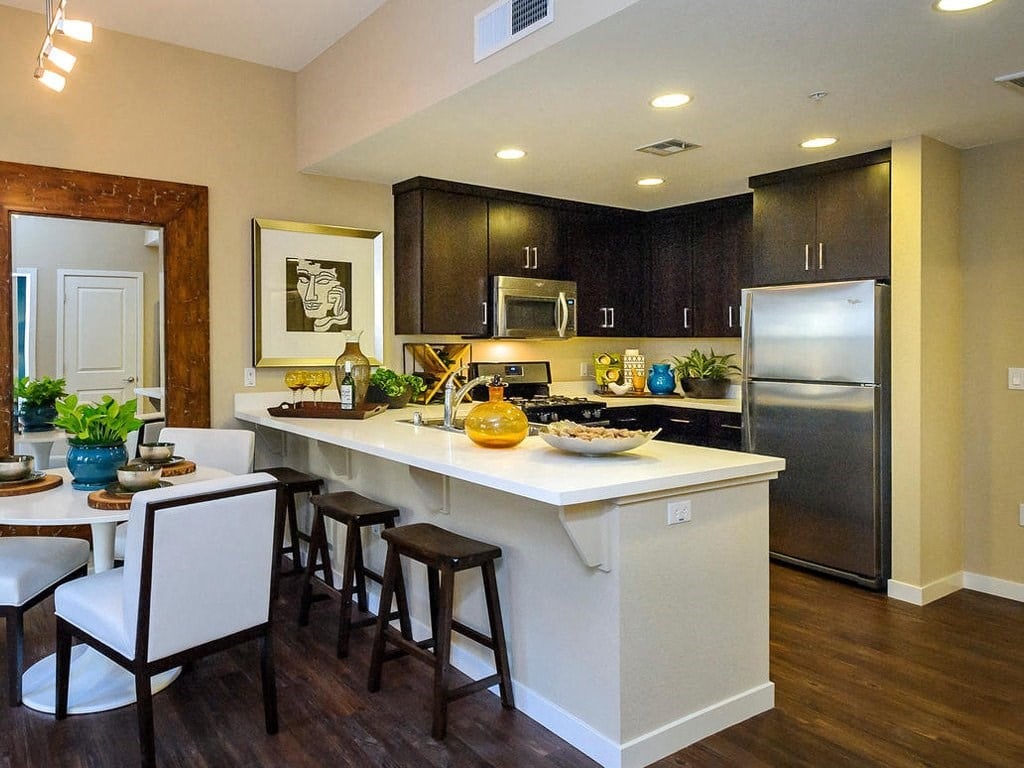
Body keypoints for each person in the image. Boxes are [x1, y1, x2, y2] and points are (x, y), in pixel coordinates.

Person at [287, 257, 350, 332]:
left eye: (323, 281)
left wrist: (337, 318)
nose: (309, 297)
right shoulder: (287, 306)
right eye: (303, 280)